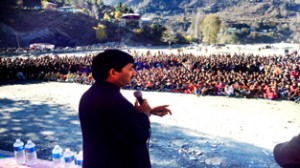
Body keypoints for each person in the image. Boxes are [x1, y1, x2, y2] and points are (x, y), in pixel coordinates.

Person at [79, 49, 172, 168]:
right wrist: (144, 114)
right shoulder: (112, 101)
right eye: (130, 69)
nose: (134, 73)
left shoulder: (93, 94)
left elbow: (116, 125)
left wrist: (146, 112)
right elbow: (139, 136)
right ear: (113, 72)